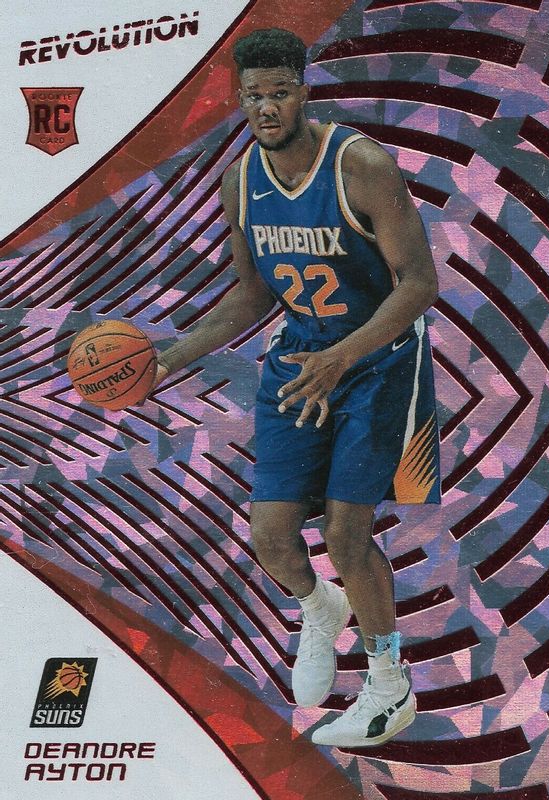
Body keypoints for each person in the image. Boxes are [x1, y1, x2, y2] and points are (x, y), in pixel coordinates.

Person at [147, 27, 441, 748]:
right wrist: (167, 358)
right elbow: (252, 293)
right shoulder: (240, 181)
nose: (266, 108)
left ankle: (389, 683)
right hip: (300, 360)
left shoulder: (360, 165)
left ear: (303, 91)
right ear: (240, 99)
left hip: (377, 360)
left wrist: (342, 356)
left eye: (279, 93)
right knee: (272, 538)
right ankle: (319, 608)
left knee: (345, 532)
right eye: (254, 96)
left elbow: (418, 283)